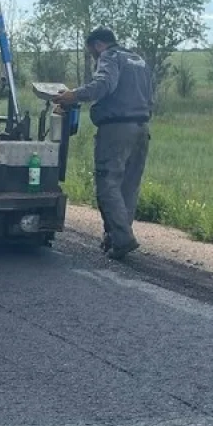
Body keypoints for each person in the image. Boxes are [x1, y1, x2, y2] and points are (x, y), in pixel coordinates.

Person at [49, 27, 153, 260]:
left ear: (97, 45)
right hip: (142, 128)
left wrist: (72, 95)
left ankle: (123, 239)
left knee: (108, 184)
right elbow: (150, 96)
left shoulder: (110, 57)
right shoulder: (139, 60)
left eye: (91, 52)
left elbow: (104, 84)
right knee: (128, 186)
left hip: (116, 129)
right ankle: (117, 236)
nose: (93, 58)